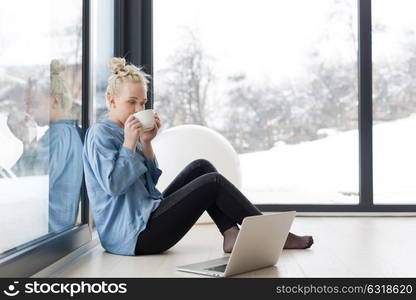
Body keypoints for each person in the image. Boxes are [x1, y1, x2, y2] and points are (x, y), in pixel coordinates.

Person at [83, 57, 314, 256]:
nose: (138, 109)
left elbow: (150, 183)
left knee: (202, 167)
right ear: (111, 100)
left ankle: (230, 233)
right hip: (133, 237)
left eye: (142, 103)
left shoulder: (131, 133)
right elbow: (113, 186)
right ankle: (275, 236)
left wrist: (146, 143)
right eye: (131, 102)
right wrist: (130, 143)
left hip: (146, 217)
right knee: (212, 183)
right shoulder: (100, 134)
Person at [10, 59, 83, 233]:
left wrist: (28, 141)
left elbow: (27, 185)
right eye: (26, 104)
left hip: (46, 234)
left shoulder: (58, 137)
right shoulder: (68, 132)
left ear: (55, 102)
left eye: (34, 103)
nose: (28, 110)